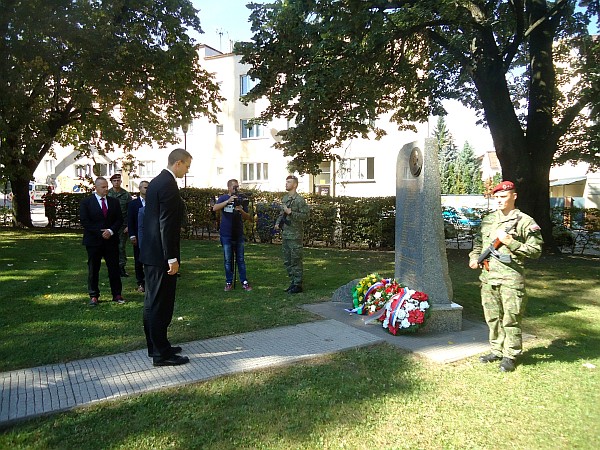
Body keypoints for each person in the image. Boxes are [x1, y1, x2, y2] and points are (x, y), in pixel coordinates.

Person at [469, 180, 543, 372]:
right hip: (488, 278)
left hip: (511, 279)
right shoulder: (489, 220)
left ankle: (511, 355)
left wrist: (510, 242)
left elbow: (536, 251)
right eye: (497, 197)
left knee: (511, 318)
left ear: (514, 196)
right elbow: (478, 243)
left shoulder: (525, 221)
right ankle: (496, 349)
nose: (500, 200)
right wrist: (474, 257)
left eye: (504, 196)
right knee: (492, 317)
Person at [140, 148, 192, 367]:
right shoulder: (168, 184)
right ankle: (161, 354)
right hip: (162, 255)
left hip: (151, 251)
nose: (187, 171)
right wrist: (171, 258)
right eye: (187, 166)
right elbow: (166, 224)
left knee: (152, 302)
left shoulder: (156, 182)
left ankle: (157, 346)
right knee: (160, 304)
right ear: (177, 163)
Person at [79, 177, 125, 306]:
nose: (106, 189)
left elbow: (119, 220)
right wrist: (100, 233)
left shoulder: (114, 202)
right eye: (103, 187)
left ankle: (117, 294)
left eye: (106, 186)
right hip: (93, 241)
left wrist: (110, 231)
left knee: (114, 268)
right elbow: (85, 221)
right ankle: (94, 295)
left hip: (111, 241)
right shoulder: (86, 202)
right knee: (94, 268)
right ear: (96, 187)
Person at [212, 179, 253, 291]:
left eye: (237, 186)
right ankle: (229, 282)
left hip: (238, 233)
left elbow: (248, 217)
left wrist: (241, 210)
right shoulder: (223, 198)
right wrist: (228, 201)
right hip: (226, 234)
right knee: (227, 259)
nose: (236, 189)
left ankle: (244, 281)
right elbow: (214, 208)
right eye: (234, 187)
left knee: (240, 259)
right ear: (229, 187)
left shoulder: (241, 200)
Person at [274, 175, 310, 294]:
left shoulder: (299, 200)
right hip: (286, 234)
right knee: (287, 260)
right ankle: (293, 281)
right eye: (286, 182)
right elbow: (281, 213)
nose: (286, 184)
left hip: (295, 235)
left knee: (296, 260)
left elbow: (306, 216)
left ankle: (298, 284)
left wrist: (291, 213)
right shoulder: (285, 198)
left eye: (289, 182)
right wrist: (277, 224)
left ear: (294, 185)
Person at [108, 173, 132, 277]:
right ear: (111, 182)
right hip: (110, 225)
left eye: (118, 180)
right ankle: (113, 267)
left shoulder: (126, 195)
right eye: (114, 181)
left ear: (121, 181)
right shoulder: (107, 194)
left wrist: (128, 225)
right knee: (111, 247)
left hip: (122, 225)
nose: (116, 182)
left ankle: (121, 267)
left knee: (121, 246)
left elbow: (130, 211)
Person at [128, 180, 149, 293]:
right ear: (140, 188)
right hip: (138, 236)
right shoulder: (133, 204)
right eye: (145, 187)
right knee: (138, 260)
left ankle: (149, 281)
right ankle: (140, 282)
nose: (147, 190)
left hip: (151, 236)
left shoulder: (153, 202)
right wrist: (132, 235)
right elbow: (130, 221)